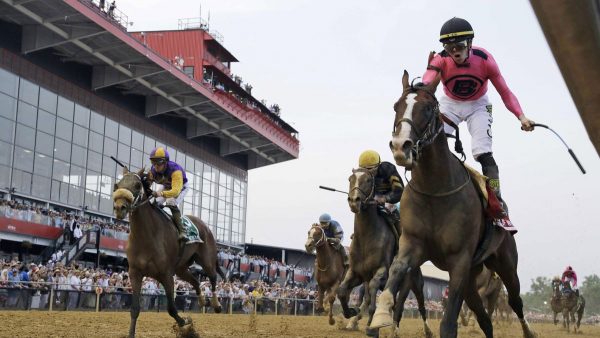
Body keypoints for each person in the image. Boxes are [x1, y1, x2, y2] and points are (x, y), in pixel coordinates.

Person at [422, 17, 536, 217]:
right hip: (450, 105)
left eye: (459, 46)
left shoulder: (485, 60)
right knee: (433, 144)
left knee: (483, 153)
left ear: (470, 44)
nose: (454, 52)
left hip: (479, 105)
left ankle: (496, 199)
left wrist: (522, 116)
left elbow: (505, 92)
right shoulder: (440, 59)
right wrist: (427, 79)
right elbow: (427, 81)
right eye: (449, 48)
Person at [147, 146, 191, 243]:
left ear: (165, 162)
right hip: (166, 185)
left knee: (170, 201)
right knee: (155, 203)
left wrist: (161, 193)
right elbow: (148, 183)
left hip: (181, 187)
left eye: (158, 163)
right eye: (153, 163)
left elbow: (175, 191)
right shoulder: (153, 170)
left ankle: (182, 231)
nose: (156, 166)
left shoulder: (176, 171)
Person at [357, 150, 404, 236]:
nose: (367, 172)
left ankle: (401, 237)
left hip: (392, 202)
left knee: (390, 209)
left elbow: (399, 191)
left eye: (370, 169)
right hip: (372, 203)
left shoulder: (388, 169)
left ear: (378, 166)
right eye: (364, 169)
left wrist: (385, 198)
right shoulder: (360, 176)